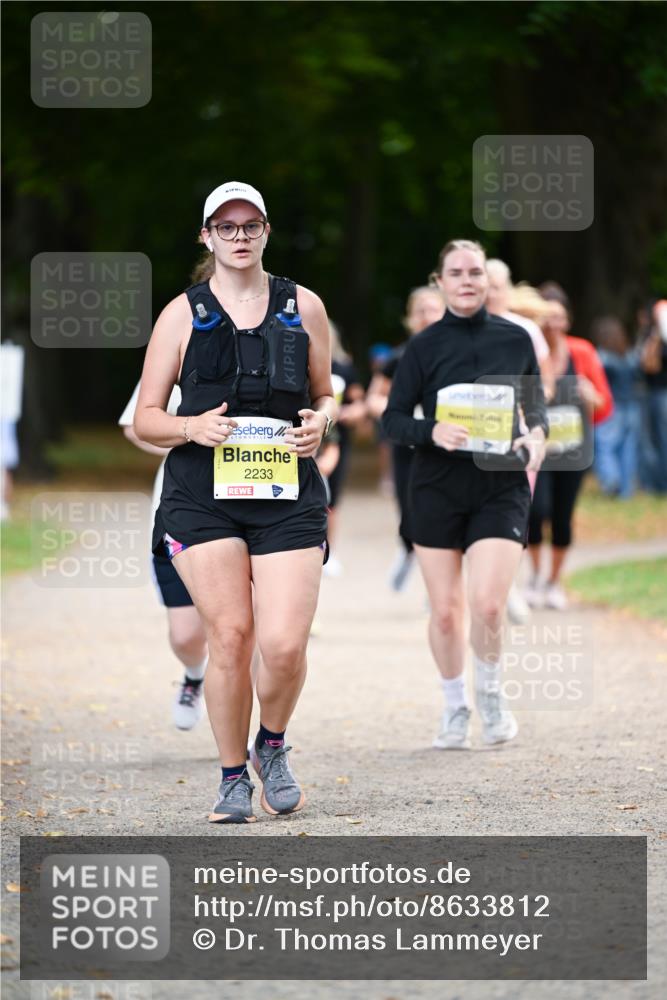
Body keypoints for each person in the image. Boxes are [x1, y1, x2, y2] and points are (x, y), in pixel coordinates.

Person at [134, 181, 336, 824]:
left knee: (282, 646)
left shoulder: (303, 306)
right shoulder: (180, 314)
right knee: (231, 634)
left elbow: (327, 393)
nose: (240, 235)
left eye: (251, 225)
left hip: (286, 492)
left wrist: (320, 424)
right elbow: (145, 419)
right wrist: (191, 427)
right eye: (226, 226)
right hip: (201, 495)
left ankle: (270, 746)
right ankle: (230, 778)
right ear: (207, 236)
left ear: (267, 232)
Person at [383, 239, 547, 751]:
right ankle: (455, 704)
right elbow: (391, 421)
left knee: (489, 607)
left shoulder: (515, 338)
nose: (468, 280)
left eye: (476, 271)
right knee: (448, 610)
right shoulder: (424, 347)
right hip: (436, 488)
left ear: (488, 279)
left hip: (499, 487)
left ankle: (491, 695)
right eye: (456, 272)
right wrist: (431, 431)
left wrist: (535, 435)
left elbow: (536, 406)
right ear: (441, 281)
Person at [119, 381, 209, 730]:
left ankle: (251, 733)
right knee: (187, 636)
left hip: (255, 509)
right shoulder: (182, 341)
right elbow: (135, 426)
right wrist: (189, 436)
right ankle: (194, 675)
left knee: (248, 631)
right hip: (181, 507)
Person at [526, 288, 613, 610]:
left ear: (568, 319)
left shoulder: (583, 352)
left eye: (559, 317)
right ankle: (534, 576)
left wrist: (590, 394)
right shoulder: (528, 351)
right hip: (536, 451)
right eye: (547, 317)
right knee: (536, 512)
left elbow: (605, 406)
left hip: (573, 449)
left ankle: (554, 582)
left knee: (562, 517)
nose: (553, 324)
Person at [366, 285, 445, 590]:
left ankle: (437, 582)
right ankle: (408, 548)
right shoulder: (397, 358)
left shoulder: (456, 354)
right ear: (411, 318)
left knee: (441, 511)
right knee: (409, 507)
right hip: (408, 444)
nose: (427, 316)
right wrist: (401, 410)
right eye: (420, 310)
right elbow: (374, 399)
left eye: (433, 309)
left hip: (446, 445)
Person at [324, 322, 366, 577]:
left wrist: (348, 413)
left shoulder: (343, 369)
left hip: (337, 439)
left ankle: (330, 551)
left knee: (332, 498)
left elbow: (359, 403)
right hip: (304, 437)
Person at [591, 316, 642, 498]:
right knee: (628, 450)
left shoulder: (601, 357)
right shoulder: (629, 356)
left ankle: (611, 481)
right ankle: (626, 491)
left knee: (605, 447)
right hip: (633, 407)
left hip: (611, 409)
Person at [637, 299, 667, 494]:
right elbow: (648, 365)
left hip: (661, 395)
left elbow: (650, 365)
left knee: (662, 439)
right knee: (654, 440)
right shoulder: (653, 336)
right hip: (654, 393)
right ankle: (657, 484)